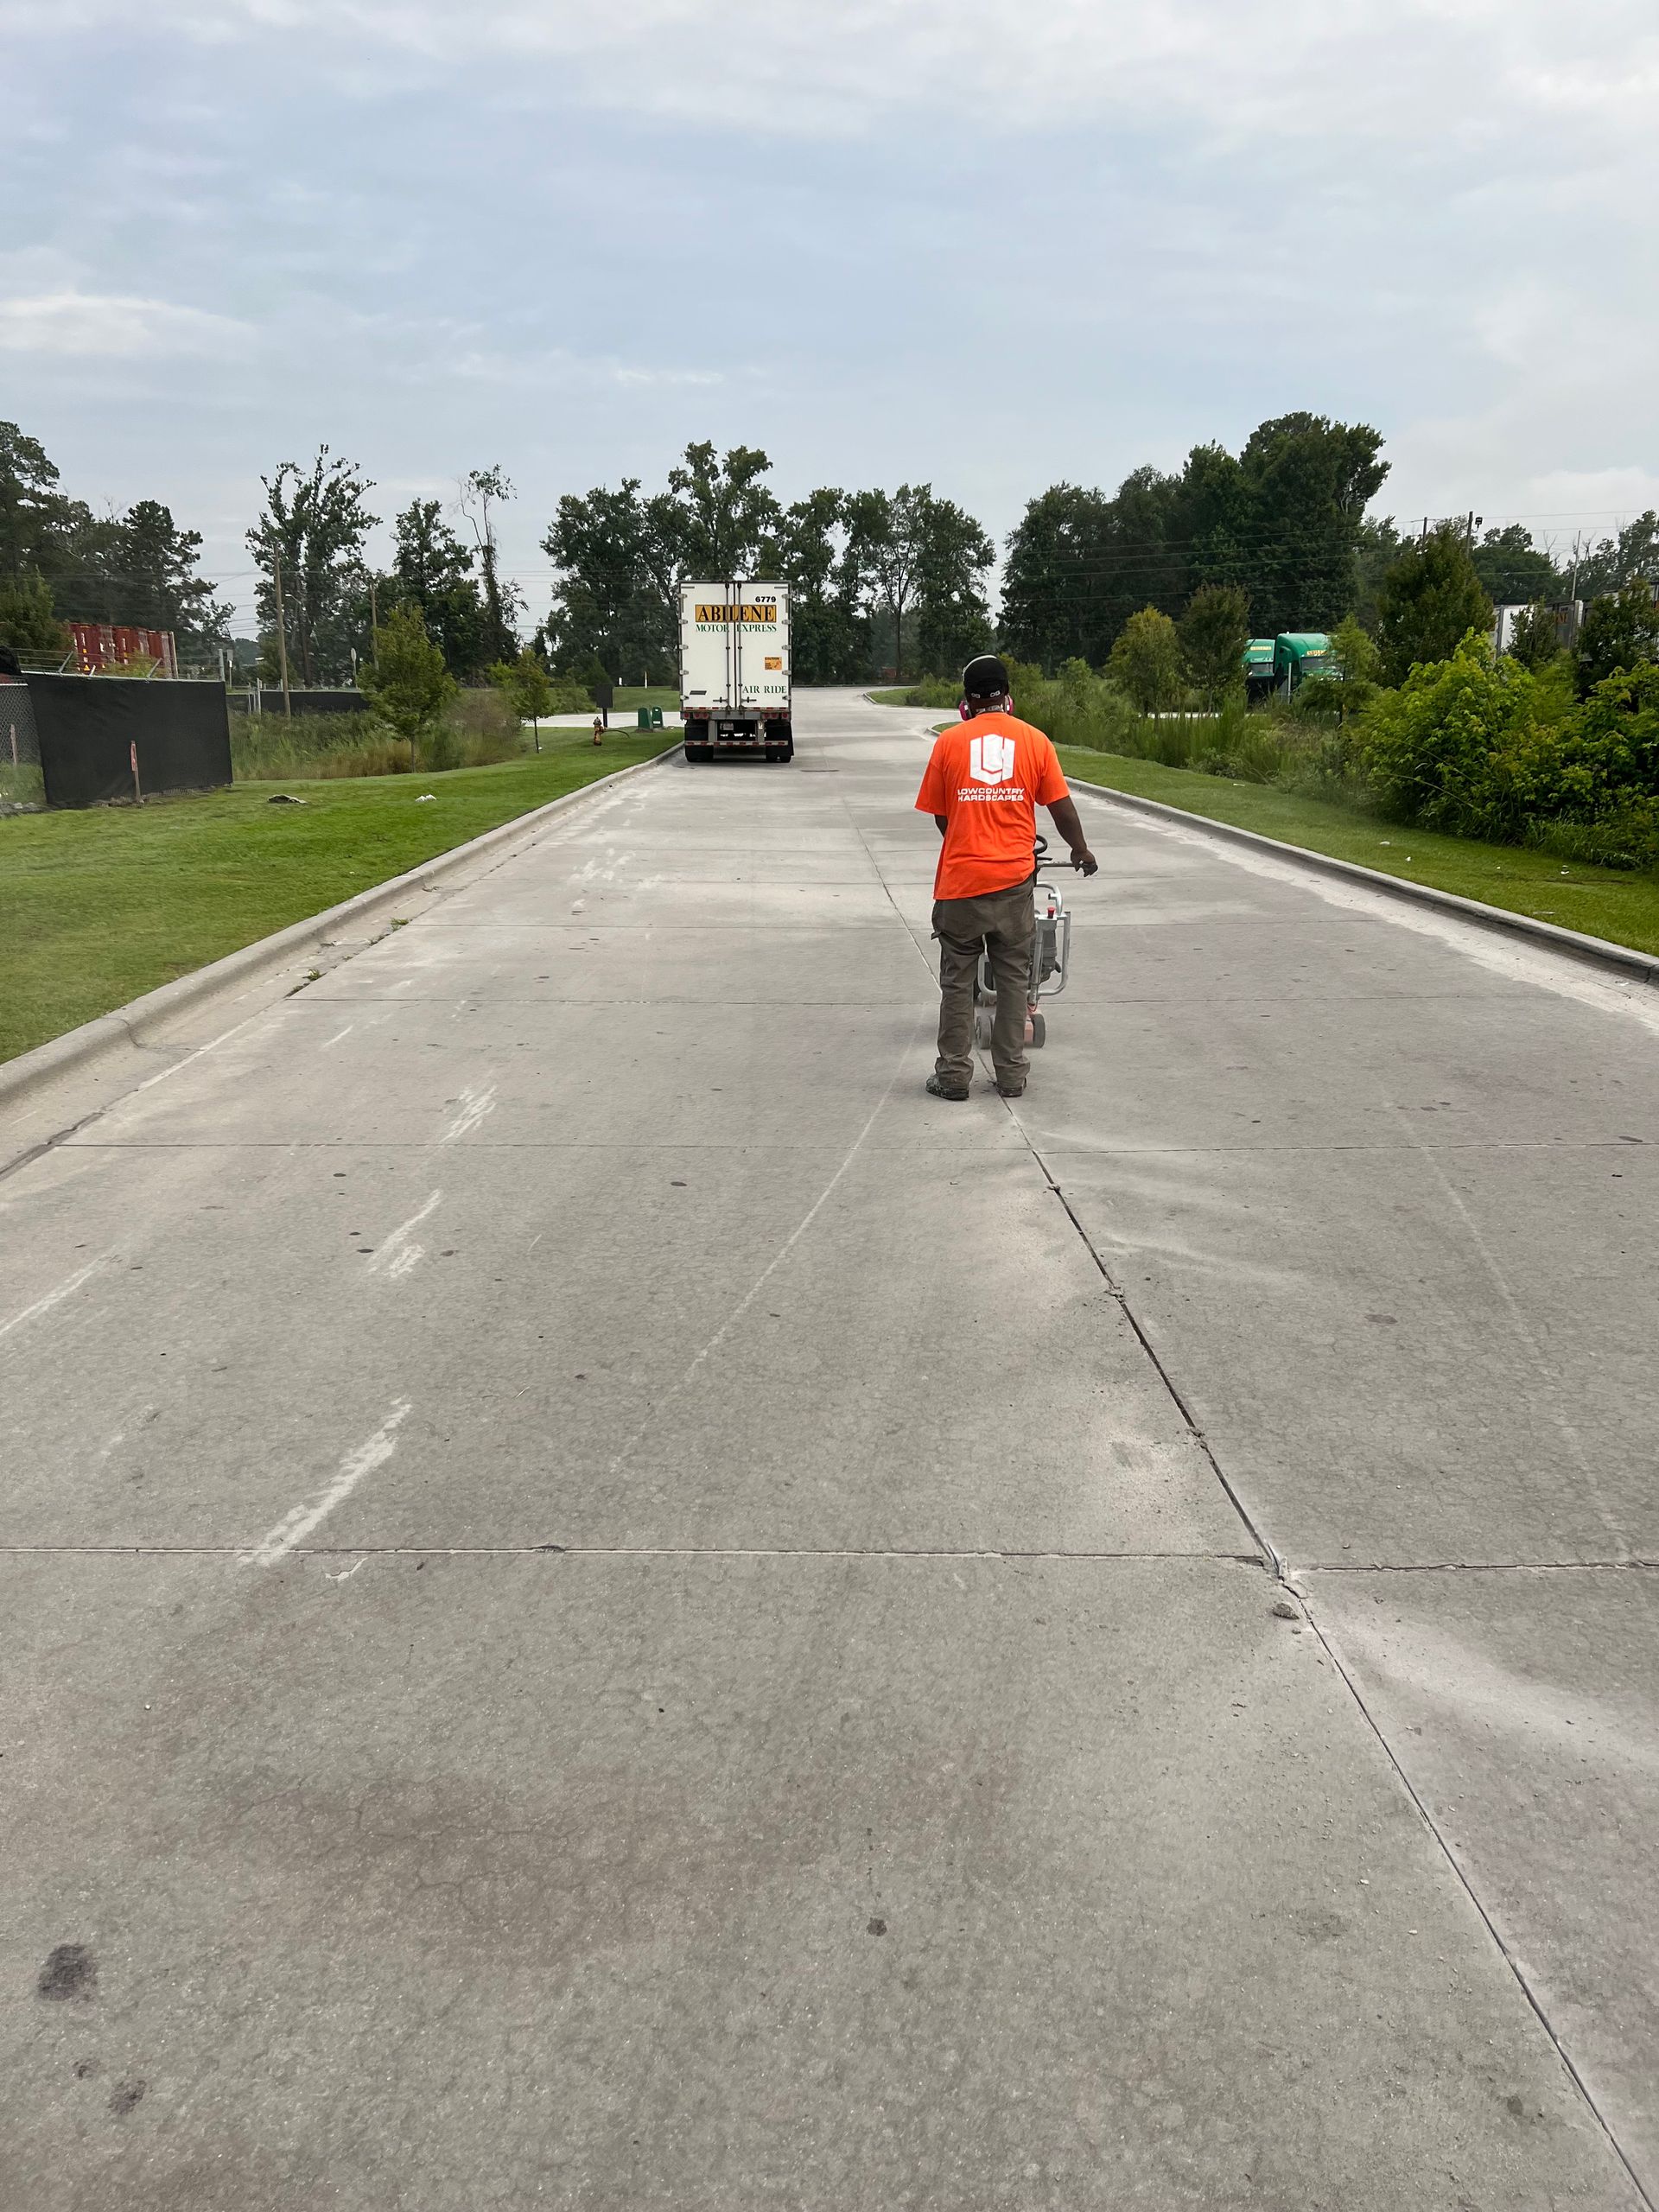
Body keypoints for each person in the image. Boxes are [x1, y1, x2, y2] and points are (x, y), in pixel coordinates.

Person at [914, 654, 1098, 1102]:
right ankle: (1012, 1075)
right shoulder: (1035, 742)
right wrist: (1080, 849)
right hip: (1015, 883)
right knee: (1014, 977)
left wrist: (966, 842)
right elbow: (1060, 806)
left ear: (966, 701)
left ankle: (954, 1076)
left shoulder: (948, 744)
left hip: (961, 885)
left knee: (958, 980)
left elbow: (942, 816)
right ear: (1006, 696)